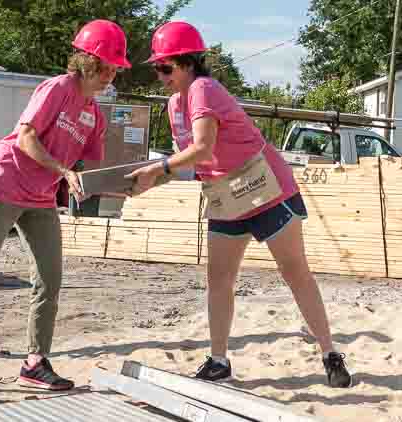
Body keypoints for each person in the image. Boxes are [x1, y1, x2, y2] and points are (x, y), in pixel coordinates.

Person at [126, 21, 354, 388]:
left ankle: (330, 354)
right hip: (224, 193)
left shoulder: (203, 89)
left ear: (188, 63)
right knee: (218, 278)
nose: (160, 75)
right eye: (157, 68)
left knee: (295, 271)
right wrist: (149, 181)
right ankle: (219, 361)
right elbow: (193, 161)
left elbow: (202, 147)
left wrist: (160, 167)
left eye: (166, 67)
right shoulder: (174, 104)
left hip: (263, 186)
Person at [0, 19, 129, 392]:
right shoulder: (58, 88)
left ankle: (35, 362)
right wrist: (62, 170)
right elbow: (26, 138)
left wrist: (115, 184)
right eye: (107, 66)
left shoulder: (95, 115)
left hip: (40, 197)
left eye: (116, 68)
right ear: (87, 61)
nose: (111, 75)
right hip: (4, 184)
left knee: (50, 279)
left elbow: (87, 164)